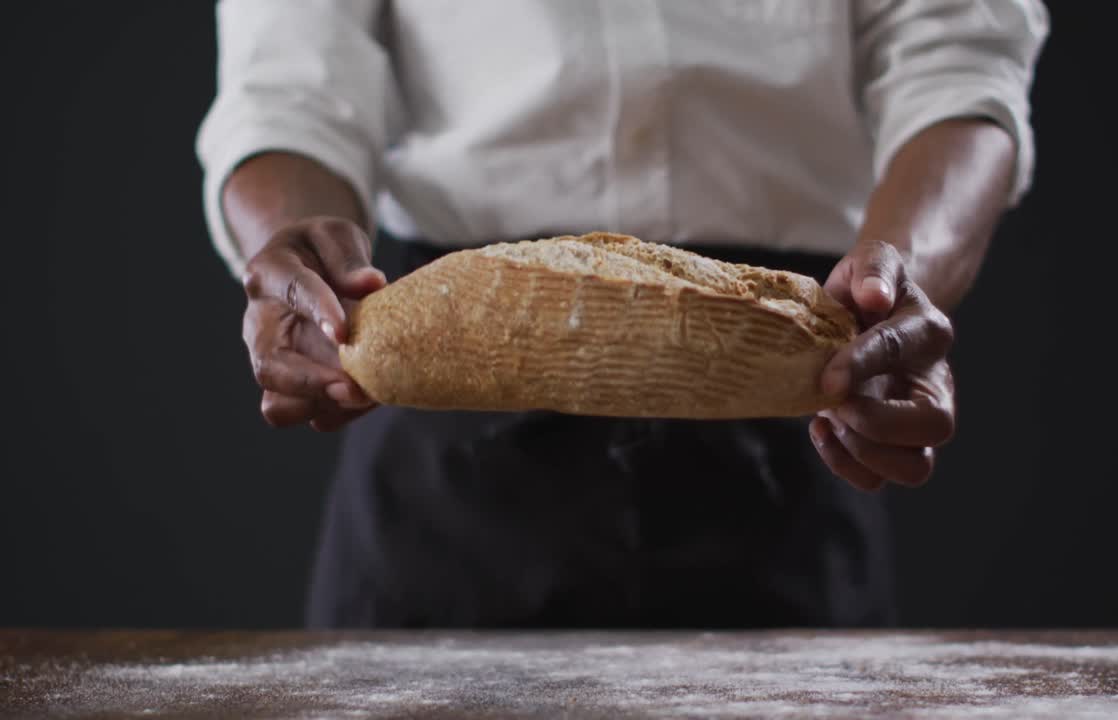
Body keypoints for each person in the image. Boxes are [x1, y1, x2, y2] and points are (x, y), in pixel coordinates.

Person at [197, 1, 1047, 629]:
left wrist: (898, 286)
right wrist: (298, 255)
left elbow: (958, 67)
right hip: (449, 401)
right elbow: (287, 95)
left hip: (796, 384)